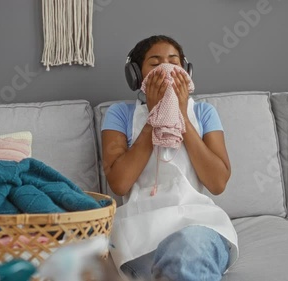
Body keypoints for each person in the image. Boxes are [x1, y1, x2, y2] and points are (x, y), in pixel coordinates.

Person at [101, 35, 239, 281]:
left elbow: (218, 183)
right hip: (141, 232)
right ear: (136, 75)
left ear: (186, 71)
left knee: (187, 250)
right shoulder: (120, 114)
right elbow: (119, 183)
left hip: (198, 226)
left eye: (174, 62)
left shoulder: (204, 112)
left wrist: (182, 117)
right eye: (155, 64)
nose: (167, 70)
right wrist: (154, 118)